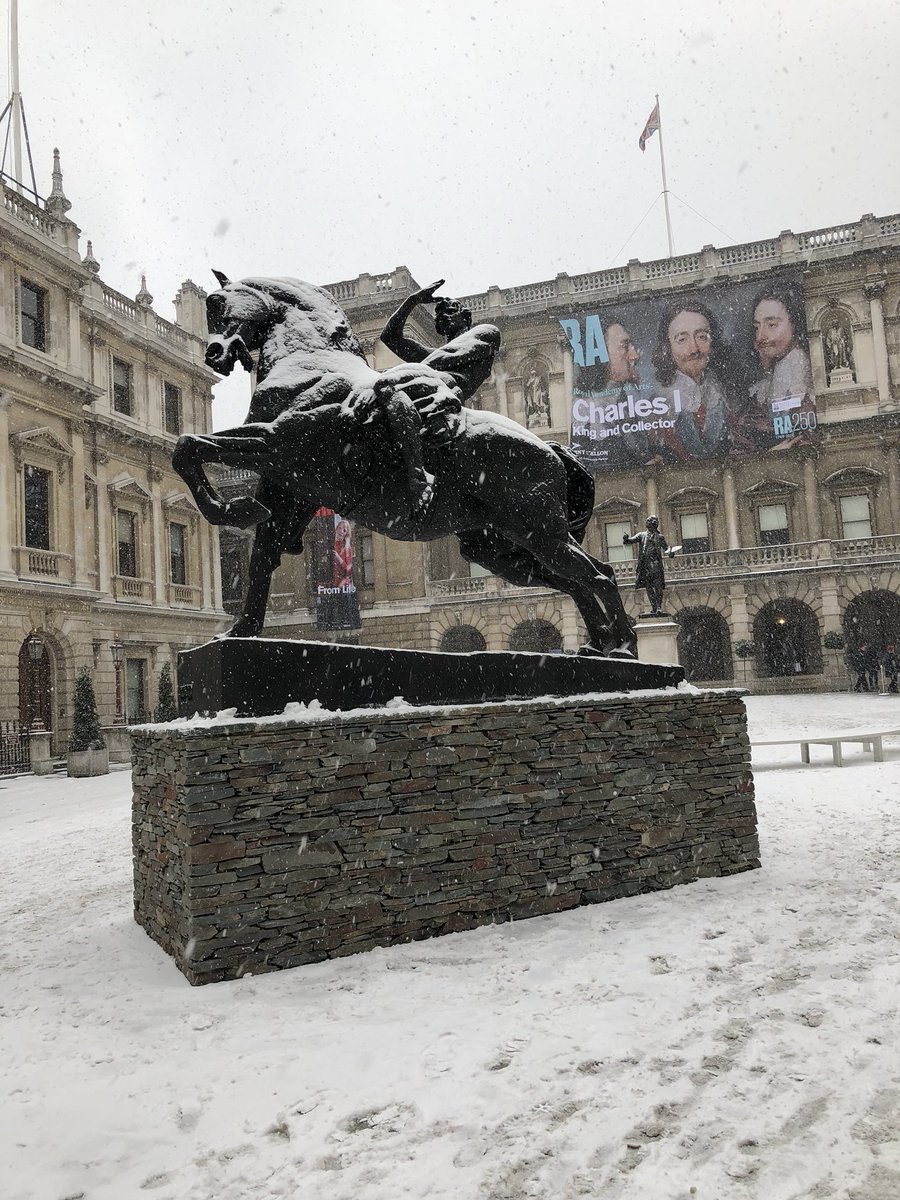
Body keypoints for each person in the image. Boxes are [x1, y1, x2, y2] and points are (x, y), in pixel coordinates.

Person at [378, 280, 501, 514]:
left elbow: (446, 357)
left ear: (466, 316)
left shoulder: (486, 333)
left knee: (386, 384)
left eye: (449, 310)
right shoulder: (432, 357)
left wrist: (399, 374)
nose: (441, 315)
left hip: (447, 392)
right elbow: (390, 338)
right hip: (430, 384)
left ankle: (418, 477)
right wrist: (412, 301)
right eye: (438, 313)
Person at [650, 301, 734, 461]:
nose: (694, 349)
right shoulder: (655, 407)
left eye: (702, 337)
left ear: (713, 342)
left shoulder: (730, 393)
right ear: (667, 348)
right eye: (682, 339)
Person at [736, 281, 814, 453]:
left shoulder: (811, 378)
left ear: (795, 324)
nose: (760, 336)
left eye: (771, 325)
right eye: (757, 327)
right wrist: (769, 456)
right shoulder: (761, 392)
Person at [573, 314, 652, 468]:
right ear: (600, 355)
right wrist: (639, 460)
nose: (635, 356)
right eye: (624, 346)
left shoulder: (631, 396)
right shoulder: (584, 409)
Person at [622, 516, 677, 616]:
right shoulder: (641, 535)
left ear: (654, 523)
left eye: (649, 521)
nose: (647, 522)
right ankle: (654, 607)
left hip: (656, 565)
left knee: (658, 587)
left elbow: (666, 549)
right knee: (649, 588)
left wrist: (671, 553)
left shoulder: (660, 537)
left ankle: (659, 607)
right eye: (647, 521)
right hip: (645, 566)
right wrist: (626, 539)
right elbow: (630, 541)